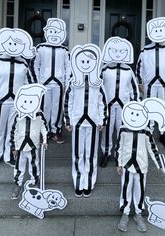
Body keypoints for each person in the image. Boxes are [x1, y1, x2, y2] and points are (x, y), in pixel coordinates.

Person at [0, 27, 36, 170]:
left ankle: (9, 155)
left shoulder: (23, 63)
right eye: (10, 43)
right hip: (0, 101)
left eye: (16, 44)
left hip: (17, 104)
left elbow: (30, 84)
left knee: (13, 130)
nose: (12, 46)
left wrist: (32, 102)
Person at [116, 98, 165, 232]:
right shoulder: (123, 129)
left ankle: (138, 213)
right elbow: (119, 147)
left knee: (140, 189)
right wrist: (118, 163)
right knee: (126, 187)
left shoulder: (146, 131)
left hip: (141, 166)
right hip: (127, 165)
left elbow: (153, 150)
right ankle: (125, 212)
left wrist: (162, 167)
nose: (134, 117)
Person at [64, 44, 107, 198]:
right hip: (77, 122)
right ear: (76, 63)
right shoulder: (73, 82)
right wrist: (68, 120)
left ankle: (88, 182)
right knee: (77, 154)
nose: (85, 65)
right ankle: (78, 182)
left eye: (89, 62)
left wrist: (103, 119)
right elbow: (67, 101)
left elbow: (103, 102)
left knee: (91, 154)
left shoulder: (98, 82)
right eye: (82, 62)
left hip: (94, 122)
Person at [136, 17, 165, 148]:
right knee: (148, 107)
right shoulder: (145, 49)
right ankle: (148, 132)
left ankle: (163, 134)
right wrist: (139, 82)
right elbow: (139, 66)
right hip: (149, 84)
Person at [99, 36, 139, 167]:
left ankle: (120, 154)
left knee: (122, 130)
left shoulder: (128, 70)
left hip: (124, 106)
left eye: (121, 52)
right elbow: (99, 88)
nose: (117, 54)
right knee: (107, 130)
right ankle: (106, 152)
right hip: (108, 106)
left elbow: (134, 88)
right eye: (114, 51)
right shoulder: (104, 69)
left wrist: (135, 104)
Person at [31, 18, 71, 144]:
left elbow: (68, 66)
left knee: (57, 108)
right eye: (52, 31)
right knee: (44, 106)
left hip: (59, 83)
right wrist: (37, 82)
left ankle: (55, 130)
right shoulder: (40, 48)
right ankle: (44, 130)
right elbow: (35, 65)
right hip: (44, 83)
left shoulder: (64, 50)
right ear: (47, 32)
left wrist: (66, 82)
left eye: (57, 32)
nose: (54, 35)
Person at [10, 84, 48, 199]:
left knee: (34, 165)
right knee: (19, 166)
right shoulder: (18, 114)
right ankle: (18, 185)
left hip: (33, 145)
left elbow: (43, 127)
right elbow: (14, 130)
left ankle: (34, 183)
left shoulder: (39, 114)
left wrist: (45, 139)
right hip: (20, 146)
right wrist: (14, 146)